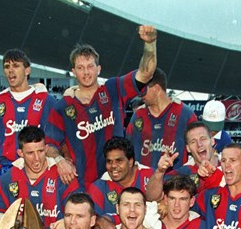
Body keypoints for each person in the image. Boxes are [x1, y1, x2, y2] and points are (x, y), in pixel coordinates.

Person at [47, 26, 158, 186]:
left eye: (90, 66)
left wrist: (150, 44)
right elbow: (49, 144)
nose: (86, 72)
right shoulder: (63, 106)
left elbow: (146, 73)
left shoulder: (113, 90)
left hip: (119, 181)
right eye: (80, 68)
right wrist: (59, 160)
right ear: (73, 72)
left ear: (99, 69)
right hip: (83, 186)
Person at [0, 124, 81, 229]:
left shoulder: (63, 175)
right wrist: (12, 220)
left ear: (47, 149)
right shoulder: (8, 178)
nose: (36, 158)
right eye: (30, 153)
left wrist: (67, 221)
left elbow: (82, 212)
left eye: (40, 151)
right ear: (20, 153)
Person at [0, 48, 56, 172]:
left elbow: (56, 140)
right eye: (6, 66)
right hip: (4, 169)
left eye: (15, 66)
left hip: (36, 168)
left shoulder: (46, 101)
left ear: (27, 70)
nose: (10, 70)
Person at [125, 68, 197, 171]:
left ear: (157, 88)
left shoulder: (185, 115)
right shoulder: (138, 116)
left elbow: (196, 152)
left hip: (175, 184)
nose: (140, 94)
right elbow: (127, 151)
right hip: (144, 184)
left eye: (144, 90)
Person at [88, 136, 153, 229]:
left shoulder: (150, 176)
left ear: (130, 162)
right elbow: (86, 216)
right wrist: (100, 221)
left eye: (119, 161)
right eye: (109, 161)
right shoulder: (99, 187)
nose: (113, 166)